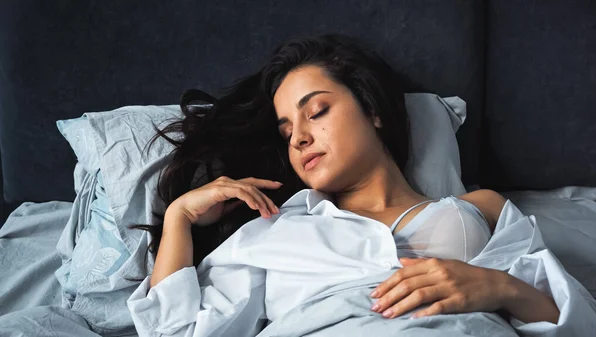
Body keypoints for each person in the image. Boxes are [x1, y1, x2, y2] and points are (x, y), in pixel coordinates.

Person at [127, 34, 561, 336]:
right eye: (286, 132)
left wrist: (499, 287)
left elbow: (567, 316)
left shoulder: (479, 206)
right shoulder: (274, 231)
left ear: (372, 108)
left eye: (316, 111)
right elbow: (177, 331)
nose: (298, 137)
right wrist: (179, 218)